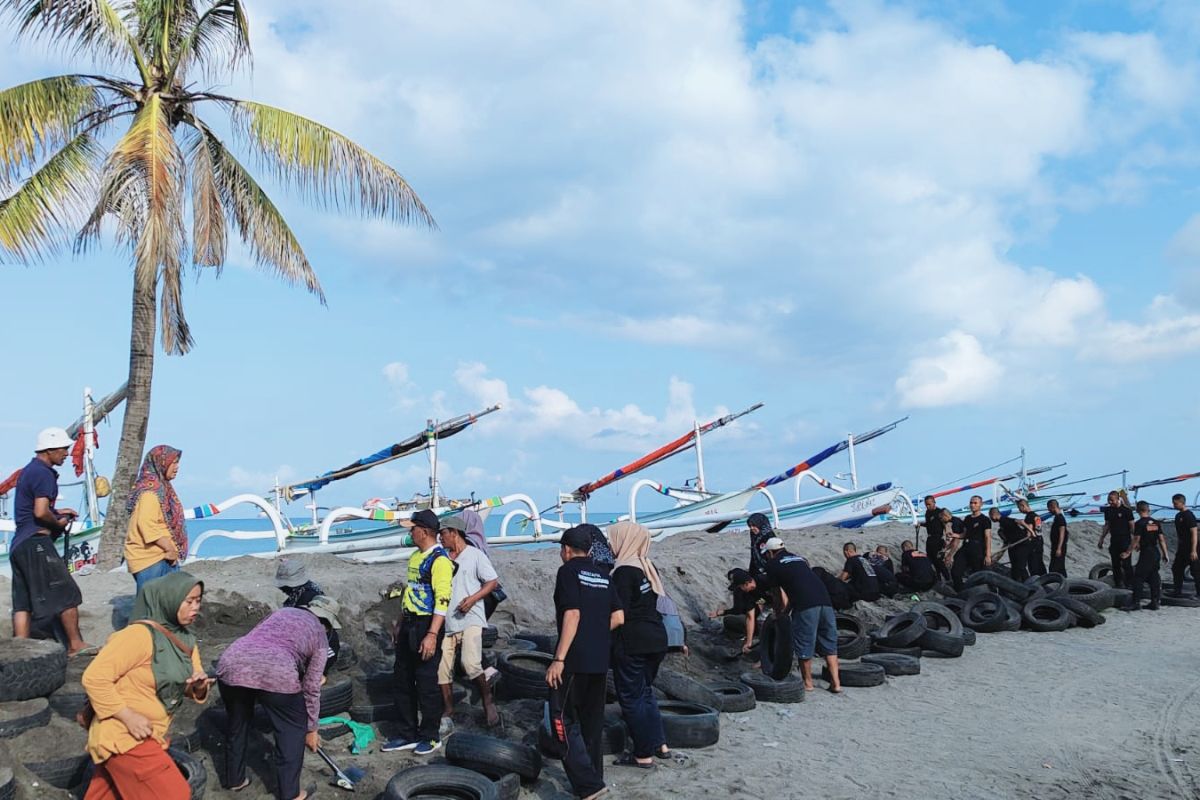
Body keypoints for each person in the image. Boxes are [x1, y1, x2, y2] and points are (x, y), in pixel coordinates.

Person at [81, 573, 210, 800]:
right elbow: (94, 678)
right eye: (188, 601)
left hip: (152, 734)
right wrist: (128, 716)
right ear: (169, 599)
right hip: (125, 735)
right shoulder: (138, 636)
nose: (195, 607)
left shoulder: (186, 641)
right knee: (175, 794)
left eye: (198, 600)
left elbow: (183, 687)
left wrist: (198, 687)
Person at [216, 599, 338, 799]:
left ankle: (235, 780)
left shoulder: (281, 613)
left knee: (238, 722)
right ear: (328, 625)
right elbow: (311, 687)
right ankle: (291, 794)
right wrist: (311, 729)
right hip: (276, 670)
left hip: (232, 662)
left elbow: (260, 638)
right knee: (292, 729)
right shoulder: (320, 636)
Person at [10, 427, 92, 655]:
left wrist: (55, 512)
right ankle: (76, 644)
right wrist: (57, 523)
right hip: (36, 542)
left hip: (20, 545)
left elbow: (35, 509)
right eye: (63, 449)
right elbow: (39, 512)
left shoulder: (30, 470)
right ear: (49, 450)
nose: (67, 453)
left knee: (23, 600)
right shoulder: (43, 473)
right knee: (67, 593)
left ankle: (20, 648)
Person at [546, 526, 611, 800]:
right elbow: (618, 618)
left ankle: (588, 786)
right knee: (591, 723)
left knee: (561, 720)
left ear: (566, 550)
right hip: (600, 658)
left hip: (574, 658)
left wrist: (559, 659)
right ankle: (596, 777)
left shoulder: (568, 571)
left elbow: (571, 614)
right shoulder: (603, 575)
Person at [383, 509, 453, 755]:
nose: (410, 532)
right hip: (410, 624)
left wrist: (432, 634)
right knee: (402, 679)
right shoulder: (415, 557)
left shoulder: (440, 561)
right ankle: (407, 733)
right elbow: (410, 592)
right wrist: (400, 623)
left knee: (426, 682)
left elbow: (442, 601)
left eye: (412, 528)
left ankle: (431, 736)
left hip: (427, 625)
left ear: (423, 532)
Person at [607, 522, 675, 769]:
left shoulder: (624, 571)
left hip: (634, 641)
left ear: (624, 540)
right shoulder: (646, 566)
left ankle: (643, 754)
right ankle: (660, 744)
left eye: (612, 538)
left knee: (631, 697)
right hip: (657, 637)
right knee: (646, 692)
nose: (609, 543)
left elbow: (619, 614)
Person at [738, 538, 841, 693]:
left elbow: (777, 594)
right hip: (825, 601)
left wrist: (778, 615)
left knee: (804, 643)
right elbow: (798, 587)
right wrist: (786, 612)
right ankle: (836, 684)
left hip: (806, 605)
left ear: (771, 552)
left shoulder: (772, 564)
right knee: (829, 643)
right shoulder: (799, 558)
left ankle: (808, 683)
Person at [437, 515, 500, 733]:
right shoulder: (443, 558)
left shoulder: (475, 556)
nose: (440, 538)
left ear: (454, 533)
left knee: (470, 662)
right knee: (442, 668)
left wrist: (472, 599)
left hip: (472, 616)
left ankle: (487, 700)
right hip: (448, 619)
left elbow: (492, 581)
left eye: (443, 534)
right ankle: (448, 708)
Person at [123, 446, 188, 591]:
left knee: (167, 604)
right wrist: (169, 548)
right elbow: (146, 525)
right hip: (151, 559)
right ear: (161, 463)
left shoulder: (162, 489)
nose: (177, 468)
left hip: (160, 556)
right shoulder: (150, 494)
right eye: (173, 463)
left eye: (177, 463)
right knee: (152, 606)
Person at [709, 568, 772, 652]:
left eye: (740, 587)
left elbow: (783, 594)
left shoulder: (764, 581)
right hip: (765, 610)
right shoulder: (747, 594)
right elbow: (750, 617)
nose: (739, 590)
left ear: (746, 584)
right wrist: (749, 642)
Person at [1125, 501, 1169, 611]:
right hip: (1155, 552)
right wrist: (1165, 554)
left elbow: (1136, 539)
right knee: (1153, 576)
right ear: (1148, 509)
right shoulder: (1155, 523)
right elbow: (1161, 540)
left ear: (1137, 510)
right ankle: (1155, 602)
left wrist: (1128, 552)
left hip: (1146, 553)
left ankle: (1136, 603)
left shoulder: (1139, 523)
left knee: (1138, 577)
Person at [948, 496, 991, 591]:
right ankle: (960, 591)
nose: (972, 505)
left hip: (977, 548)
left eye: (975, 503)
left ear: (981, 504)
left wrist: (988, 555)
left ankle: (978, 593)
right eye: (971, 503)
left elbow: (987, 537)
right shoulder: (967, 518)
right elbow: (964, 534)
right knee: (955, 571)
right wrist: (955, 535)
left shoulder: (985, 520)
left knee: (977, 573)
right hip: (966, 547)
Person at [1098, 491, 1135, 589]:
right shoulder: (1108, 510)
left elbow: (1132, 526)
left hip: (1125, 539)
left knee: (1126, 564)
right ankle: (1118, 583)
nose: (1110, 502)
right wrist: (1101, 538)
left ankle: (1130, 584)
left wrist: (1136, 541)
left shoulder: (1126, 510)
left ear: (1118, 499)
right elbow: (1107, 525)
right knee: (1115, 564)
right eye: (1108, 500)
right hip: (1114, 539)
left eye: (1112, 500)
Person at [1170, 494, 1199, 597]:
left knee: (1195, 571)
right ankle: (1177, 591)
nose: (1173, 505)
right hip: (1182, 547)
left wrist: (1194, 550)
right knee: (1176, 568)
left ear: (1182, 503)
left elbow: (1194, 533)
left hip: (1192, 547)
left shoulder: (1189, 515)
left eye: (1175, 503)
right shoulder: (1178, 516)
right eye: (1173, 503)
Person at [917, 495, 951, 582]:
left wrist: (947, 539)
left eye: (929, 504)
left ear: (934, 502)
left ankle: (948, 578)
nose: (927, 506)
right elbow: (929, 524)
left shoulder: (939, 512)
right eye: (926, 505)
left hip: (938, 538)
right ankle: (938, 579)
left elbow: (946, 525)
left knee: (938, 560)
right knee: (931, 559)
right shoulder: (927, 513)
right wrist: (921, 524)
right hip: (930, 538)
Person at [991, 507, 1029, 582]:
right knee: (1014, 567)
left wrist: (1031, 532)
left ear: (993, 515)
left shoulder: (1005, 520)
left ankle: (1027, 583)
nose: (991, 518)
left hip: (1020, 545)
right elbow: (1006, 543)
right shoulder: (1001, 528)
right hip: (1013, 547)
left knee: (1020, 566)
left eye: (990, 516)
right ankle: (1016, 584)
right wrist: (997, 558)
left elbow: (1020, 521)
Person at [1018, 499, 1046, 577]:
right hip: (1039, 541)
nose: (1019, 510)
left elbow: (1029, 533)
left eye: (1019, 508)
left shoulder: (1029, 517)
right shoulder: (1036, 516)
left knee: (1033, 565)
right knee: (1040, 562)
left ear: (1023, 506)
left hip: (1033, 544)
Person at [746, 512, 774, 578]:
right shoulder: (754, 536)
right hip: (757, 570)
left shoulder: (769, 537)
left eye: (754, 525)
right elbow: (754, 556)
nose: (751, 528)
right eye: (750, 526)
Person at [1047, 499, 1069, 576]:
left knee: (1055, 567)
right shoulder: (1057, 517)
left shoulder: (1060, 518)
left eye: (1049, 509)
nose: (1049, 511)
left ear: (1052, 507)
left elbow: (1062, 533)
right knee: (1060, 567)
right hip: (1055, 545)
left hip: (1059, 546)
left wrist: (1059, 548)